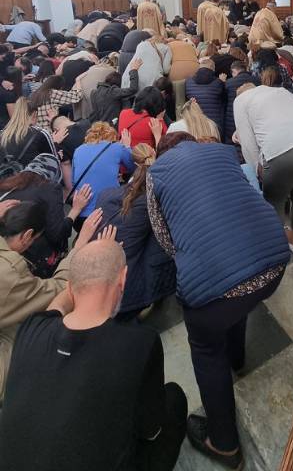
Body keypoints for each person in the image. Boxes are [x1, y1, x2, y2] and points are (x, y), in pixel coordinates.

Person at [147, 135, 289, 467]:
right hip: (274, 262)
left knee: (207, 347)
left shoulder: (156, 173)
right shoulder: (222, 152)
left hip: (219, 289)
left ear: (162, 153)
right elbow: (248, 196)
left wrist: (192, 256)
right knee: (236, 294)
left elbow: (163, 235)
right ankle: (237, 358)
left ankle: (224, 443)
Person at [0, 230, 187, 471]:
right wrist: (105, 263)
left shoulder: (31, 328)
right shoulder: (140, 342)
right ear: (123, 279)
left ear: (70, 287)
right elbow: (149, 430)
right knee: (174, 398)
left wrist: (87, 271)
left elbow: (55, 309)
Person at [0, 203, 103, 399]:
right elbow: (59, 288)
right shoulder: (10, 273)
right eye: (34, 239)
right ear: (27, 236)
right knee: (40, 328)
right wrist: (79, 245)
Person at [234, 83, 293, 254]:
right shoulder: (279, 91)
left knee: (274, 202)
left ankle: (278, 248)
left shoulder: (241, 100)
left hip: (283, 150)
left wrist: (257, 168)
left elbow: (248, 143)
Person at [96, 143, 176, 314]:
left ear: (134, 164)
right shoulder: (153, 201)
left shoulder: (105, 195)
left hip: (101, 285)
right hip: (129, 293)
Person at [0, 155, 91, 277]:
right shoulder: (50, 188)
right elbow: (57, 234)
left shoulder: (7, 185)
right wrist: (76, 209)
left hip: (7, 252)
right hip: (35, 261)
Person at [72, 122, 135, 220]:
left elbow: (73, 180)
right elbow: (133, 166)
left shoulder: (78, 150)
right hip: (108, 210)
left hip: (81, 212)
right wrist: (127, 146)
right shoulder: (117, 147)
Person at [0, 97, 58, 167]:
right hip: (31, 173)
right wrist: (55, 143)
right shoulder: (40, 133)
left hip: (7, 174)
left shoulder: (2, 134)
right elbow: (54, 161)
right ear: (34, 114)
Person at [185, 59, 225, 138]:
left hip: (195, 125)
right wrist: (223, 82)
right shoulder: (218, 83)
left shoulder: (188, 82)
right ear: (213, 69)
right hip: (214, 125)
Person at [224, 60, 254, 143]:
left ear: (234, 71)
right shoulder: (257, 80)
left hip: (232, 121)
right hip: (252, 120)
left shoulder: (229, 83)